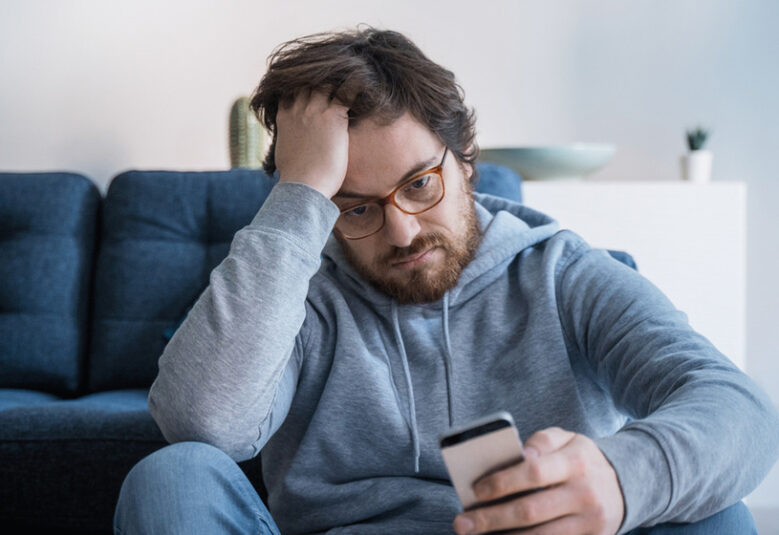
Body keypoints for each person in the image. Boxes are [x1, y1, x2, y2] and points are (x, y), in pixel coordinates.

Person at [114, 27, 778, 535]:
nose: (399, 231)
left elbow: (738, 408)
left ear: (465, 160)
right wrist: (300, 194)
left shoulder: (560, 272)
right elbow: (204, 421)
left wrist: (622, 476)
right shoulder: (298, 292)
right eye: (355, 205)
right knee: (173, 477)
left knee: (715, 509)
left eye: (419, 184)